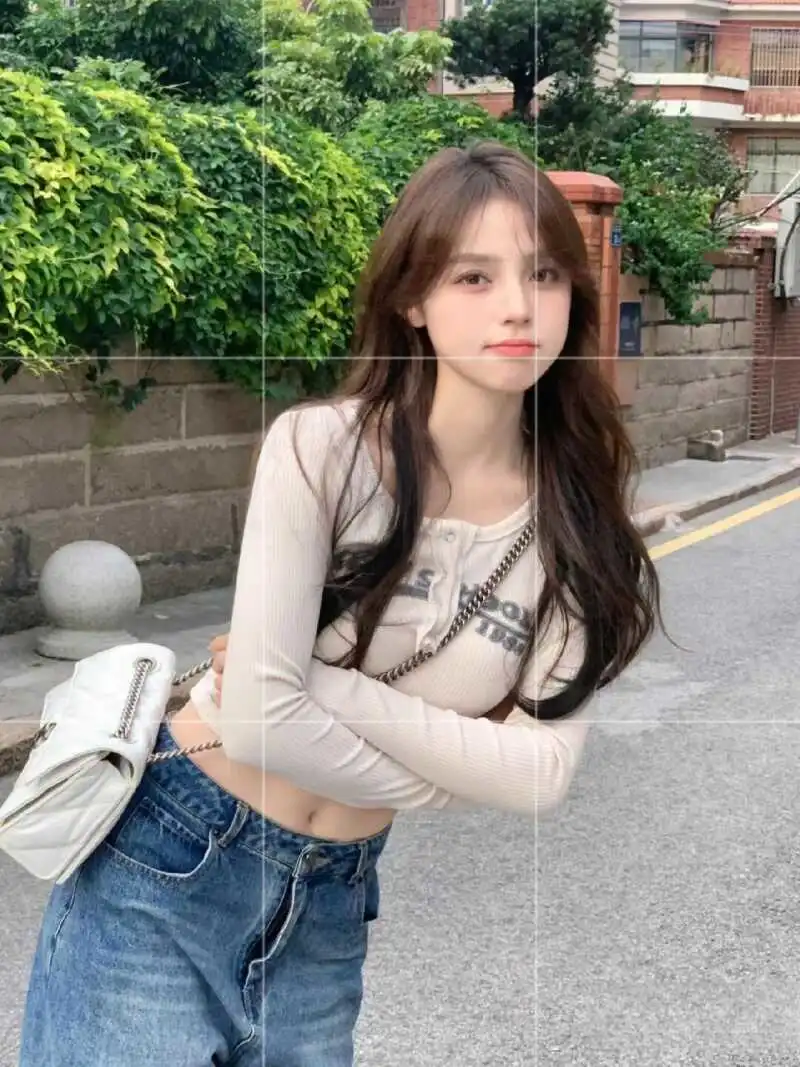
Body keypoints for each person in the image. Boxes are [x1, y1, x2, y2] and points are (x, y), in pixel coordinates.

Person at [19, 141, 662, 1067]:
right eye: (474, 276)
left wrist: (319, 687)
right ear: (413, 299)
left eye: (544, 273)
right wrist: (467, 762)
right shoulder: (323, 450)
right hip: (169, 861)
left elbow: (539, 776)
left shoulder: (579, 518)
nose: (519, 306)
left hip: (329, 904)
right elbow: (257, 727)